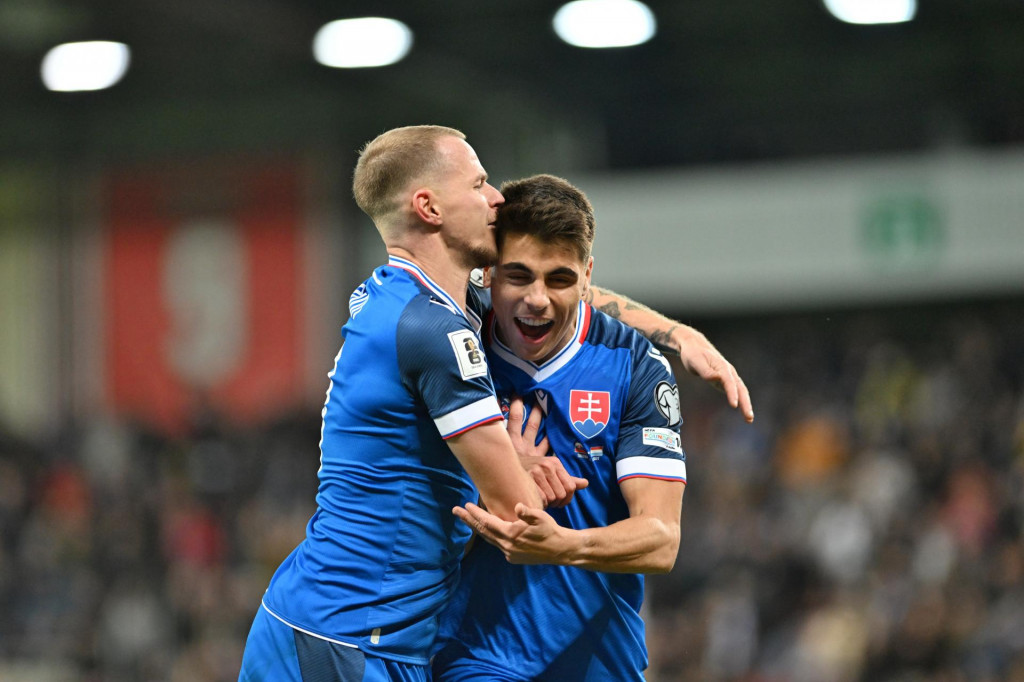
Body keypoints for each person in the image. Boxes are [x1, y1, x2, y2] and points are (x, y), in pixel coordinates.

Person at [239, 125, 748, 682]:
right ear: (430, 209)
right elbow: (516, 509)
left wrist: (674, 332)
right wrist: (514, 471)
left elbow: (661, 539)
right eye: (479, 182)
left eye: (560, 279)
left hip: (403, 640)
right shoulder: (443, 331)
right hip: (365, 635)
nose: (494, 197)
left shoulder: (416, 302)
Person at [432, 174, 689, 681]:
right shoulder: (447, 349)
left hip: (598, 660)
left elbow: (661, 540)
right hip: (473, 656)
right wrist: (499, 472)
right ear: (489, 273)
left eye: (559, 279)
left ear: (588, 276)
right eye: (519, 276)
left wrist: (563, 546)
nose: (537, 299)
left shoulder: (634, 364)